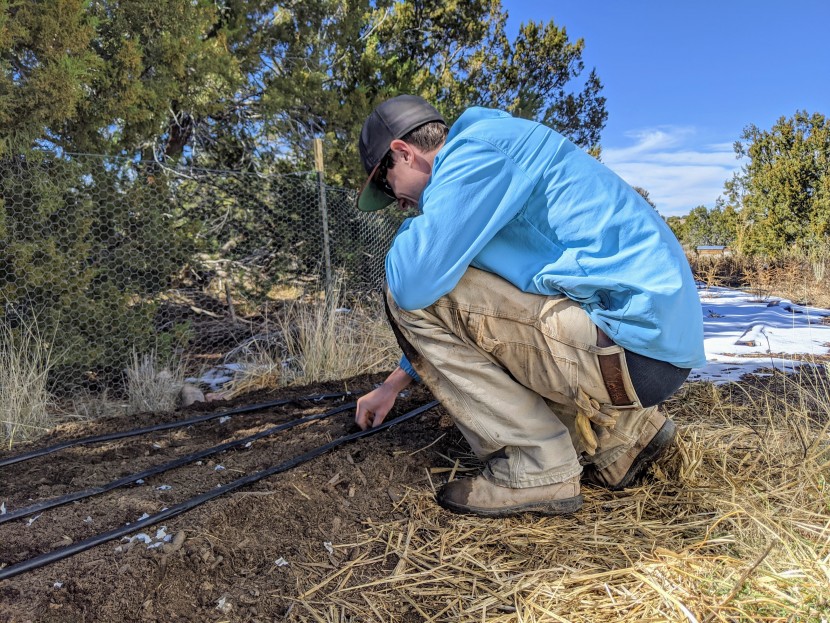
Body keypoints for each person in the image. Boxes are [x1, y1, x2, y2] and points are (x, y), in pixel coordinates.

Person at [353, 95, 706, 517]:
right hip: (651, 351)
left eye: (387, 186)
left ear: (403, 152)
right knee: (444, 279)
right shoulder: (495, 152)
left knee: (402, 289)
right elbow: (485, 313)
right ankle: (623, 441)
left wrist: (416, 227)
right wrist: (394, 384)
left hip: (628, 350)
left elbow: (413, 288)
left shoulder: (475, 157)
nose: (397, 203)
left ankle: (537, 466)